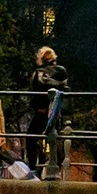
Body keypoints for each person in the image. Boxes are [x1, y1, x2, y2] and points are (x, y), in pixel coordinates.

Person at [25, 46, 69, 176]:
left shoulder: (39, 73)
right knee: (55, 138)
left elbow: (33, 93)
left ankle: (33, 167)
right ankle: (56, 167)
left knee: (31, 137)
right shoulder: (62, 72)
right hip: (56, 112)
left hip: (42, 111)